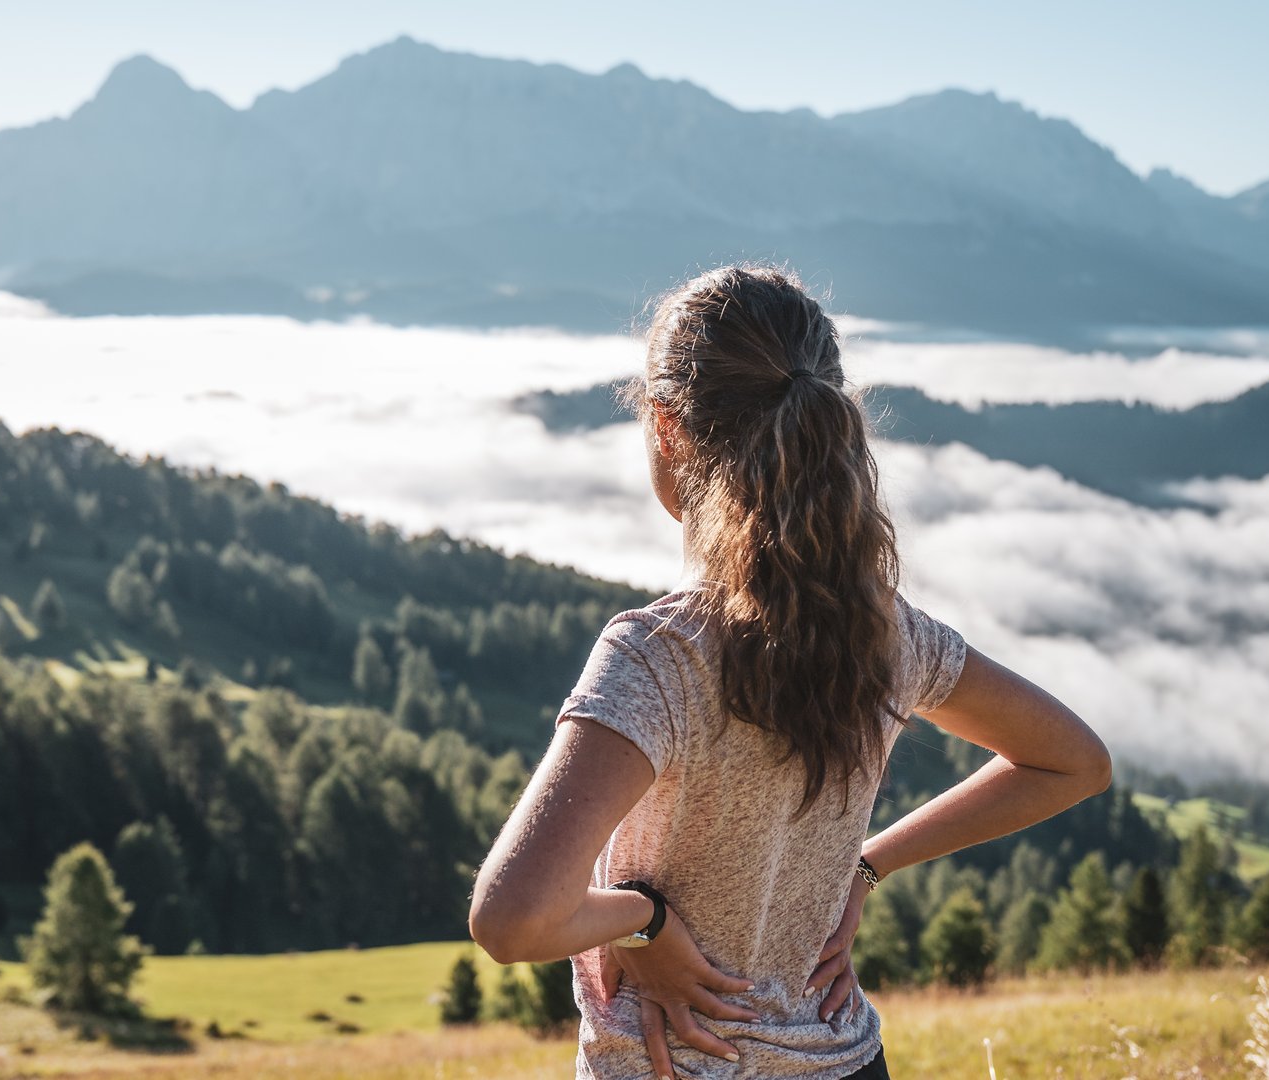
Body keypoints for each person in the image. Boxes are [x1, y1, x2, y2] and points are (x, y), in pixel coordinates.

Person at [468, 265, 1111, 1079]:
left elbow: (513, 922)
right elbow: (1075, 763)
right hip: (844, 1060)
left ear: (667, 430)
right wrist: (868, 867)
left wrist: (645, 925)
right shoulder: (888, 635)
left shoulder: (658, 658)